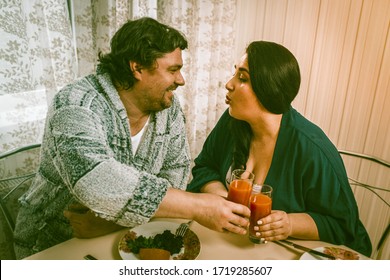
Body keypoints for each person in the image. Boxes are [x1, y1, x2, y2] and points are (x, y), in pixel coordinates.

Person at [13, 17, 250, 259]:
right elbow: (97, 181)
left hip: (129, 236)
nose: (181, 80)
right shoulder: (75, 104)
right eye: (173, 70)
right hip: (55, 243)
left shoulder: (169, 108)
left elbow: (175, 174)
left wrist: (112, 223)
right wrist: (199, 206)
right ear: (137, 68)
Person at [187, 41, 372, 257]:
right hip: (233, 247)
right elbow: (204, 167)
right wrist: (222, 197)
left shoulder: (311, 149)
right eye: (234, 73)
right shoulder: (232, 122)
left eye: (243, 78)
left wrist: (289, 224)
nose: (229, 84)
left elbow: (343, 225)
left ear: (269, 90)